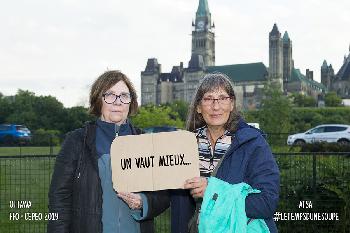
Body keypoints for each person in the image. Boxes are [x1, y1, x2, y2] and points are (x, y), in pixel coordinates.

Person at [48, 70, 169, 233]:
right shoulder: (76, 141)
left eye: (124, 96)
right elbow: (58, 199)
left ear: (131, 102)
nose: (118, 102)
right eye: (110, 95)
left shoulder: (146, 142)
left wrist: (143, 203)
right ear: (98, 100)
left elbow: (164, 195)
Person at [175, 73, 280, 233]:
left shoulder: (253, 143)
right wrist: (142, 201)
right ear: (198, 107)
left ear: (232, 104)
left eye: (223, 98)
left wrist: (212, 191)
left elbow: (266, 202)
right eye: (208, 99)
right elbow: (173, 195)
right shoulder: (185, 144)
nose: (216, 106)